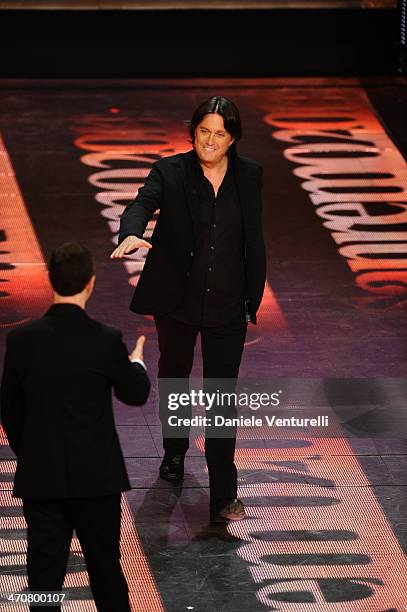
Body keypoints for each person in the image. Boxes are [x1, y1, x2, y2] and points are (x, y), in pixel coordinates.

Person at [111, 96, 266, 523]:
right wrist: (130, 231)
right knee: (174, 376)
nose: (210, 141)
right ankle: (175, 452)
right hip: (177, 300)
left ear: (232, 138)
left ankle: (223, 494)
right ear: (192, 132)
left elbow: (251, 236)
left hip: (228, 302)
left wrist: (253, 293)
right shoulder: (170, 171)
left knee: (221, 395)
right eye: (203, 132)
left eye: (219, 133)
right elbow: (142, 203)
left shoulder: (249, 176)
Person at [0, 242, 150, 612]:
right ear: (91, 283)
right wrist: (137, 364)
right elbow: (135, 395)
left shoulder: (21, 340)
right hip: (96, 478)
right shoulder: (105, 340)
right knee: (104, 569)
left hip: (42, 477)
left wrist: (32, 452)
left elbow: (9, 409)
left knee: (43, 575)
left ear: (51, 279)